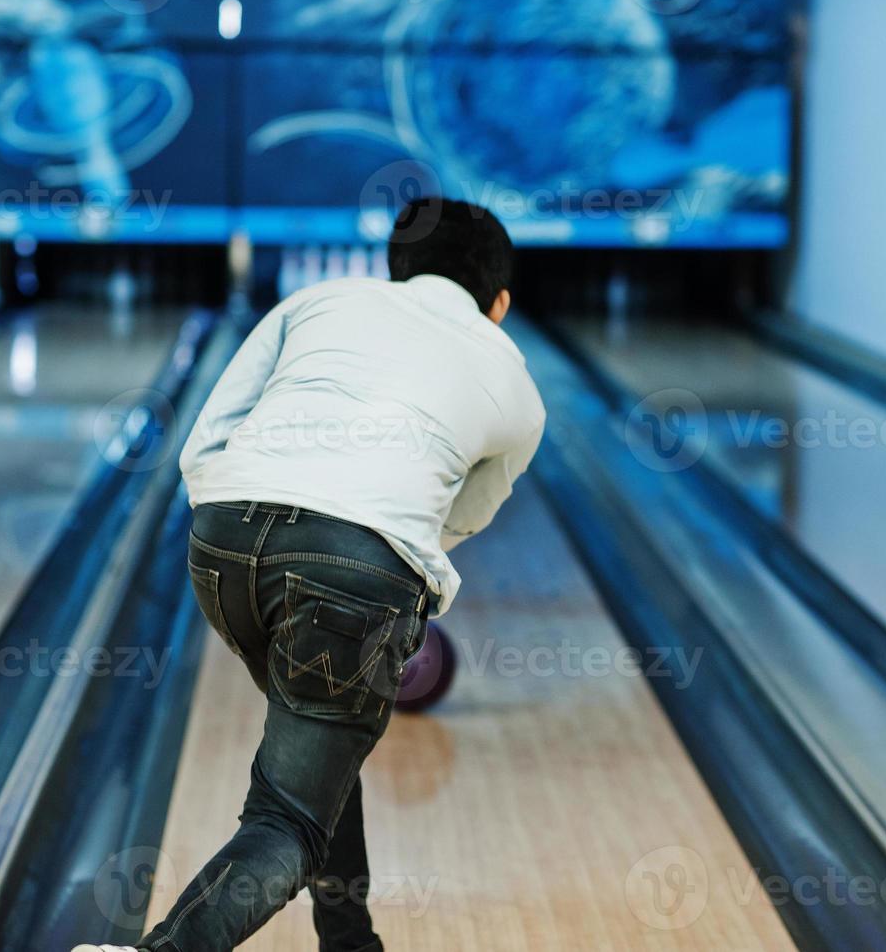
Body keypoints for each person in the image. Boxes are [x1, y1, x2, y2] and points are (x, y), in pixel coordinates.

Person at [74, 197, 544, 952]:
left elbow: (210, 436)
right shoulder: (517, 384)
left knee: (316, 757)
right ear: (499, 303)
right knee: (286, 822)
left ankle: (348, 939)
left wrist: (238, 517)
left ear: (395, 269)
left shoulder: (317, 299)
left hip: (222, 547)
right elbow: (459, 521)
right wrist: (371, 568)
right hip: (356, 573)